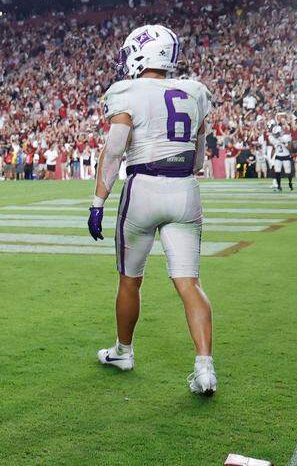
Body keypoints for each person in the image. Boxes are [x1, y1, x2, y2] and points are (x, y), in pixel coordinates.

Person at [87, 24, 218, 396]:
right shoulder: (195, 92)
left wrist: (98, 202)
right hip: (184, 189)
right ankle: (205, 368)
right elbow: (199, 156)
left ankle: (123, 352)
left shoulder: (126, 91)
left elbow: (113, 153)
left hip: (143, 187)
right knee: (189, 283)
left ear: (141, 53)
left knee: (130, 278)